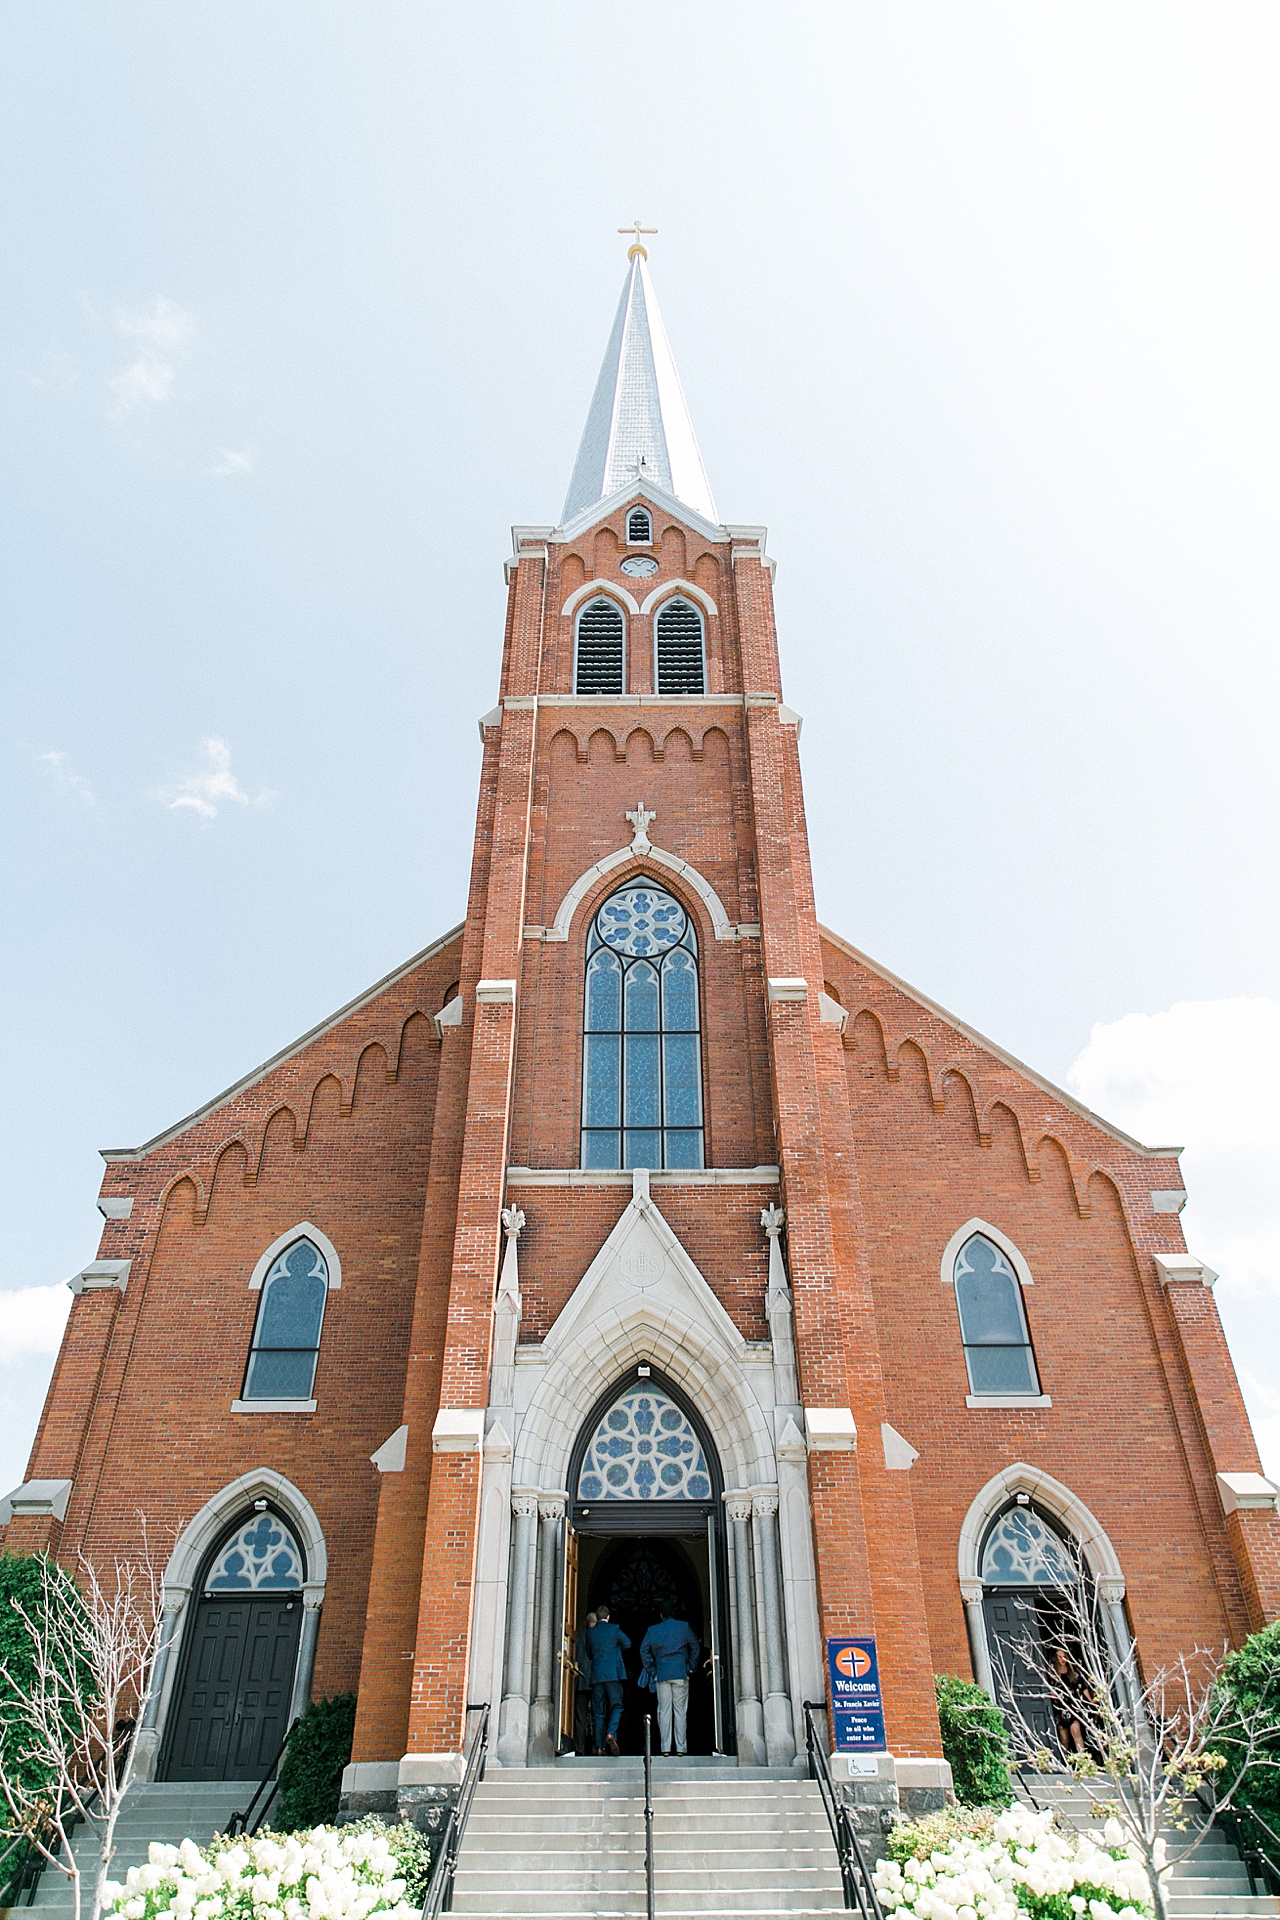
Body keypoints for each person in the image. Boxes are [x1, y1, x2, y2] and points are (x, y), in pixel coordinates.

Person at [639, 1610, 700, 1756]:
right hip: (680, 1673)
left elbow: (643, 1651)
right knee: (680, 1711)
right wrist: (691, 1667)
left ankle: (665, 1748)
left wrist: (652, 1670)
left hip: (662, 1674)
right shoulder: (684, 1627)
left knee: (664, 1711)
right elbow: (695, 1646)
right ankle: (681, 1748)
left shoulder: (653, 1630)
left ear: (661, 1615)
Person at [583, 1604, 630, 1755]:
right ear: (608, 1617)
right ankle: (610, 1733)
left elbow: (589, 1653)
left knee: (598, 1712)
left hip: (597, 1675)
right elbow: (628, 1643)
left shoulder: (590, 1633)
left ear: (596, 1618)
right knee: (616, 1705)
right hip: (613, 1674)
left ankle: (599, 1747)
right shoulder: (614, 1629)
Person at [572, 1611, 596, 1755]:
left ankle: (579, 1749)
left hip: (581, 1680)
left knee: (580, 1717)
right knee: (597, 1715)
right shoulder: (599, 1636)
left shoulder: (578, 1637)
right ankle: (596, 1748)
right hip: (595, 1681)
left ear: (586, 1623)